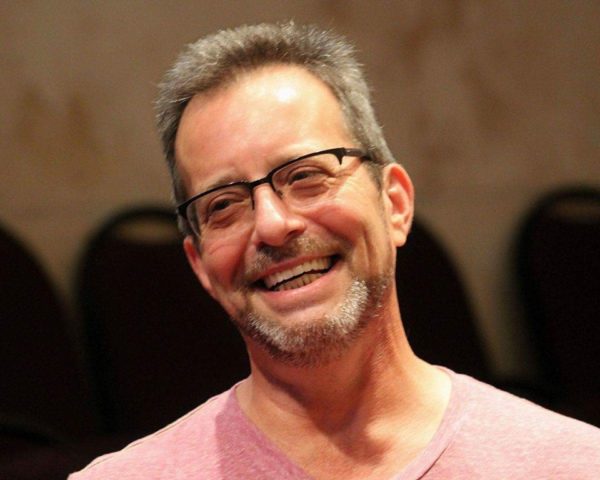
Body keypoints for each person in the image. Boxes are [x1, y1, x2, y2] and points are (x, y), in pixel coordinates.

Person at [70, 22, 600, 479]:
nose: (272, 226)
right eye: (224, 205)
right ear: (199, 266)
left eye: (305, 176)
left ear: (394, 204)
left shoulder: (573, 463)